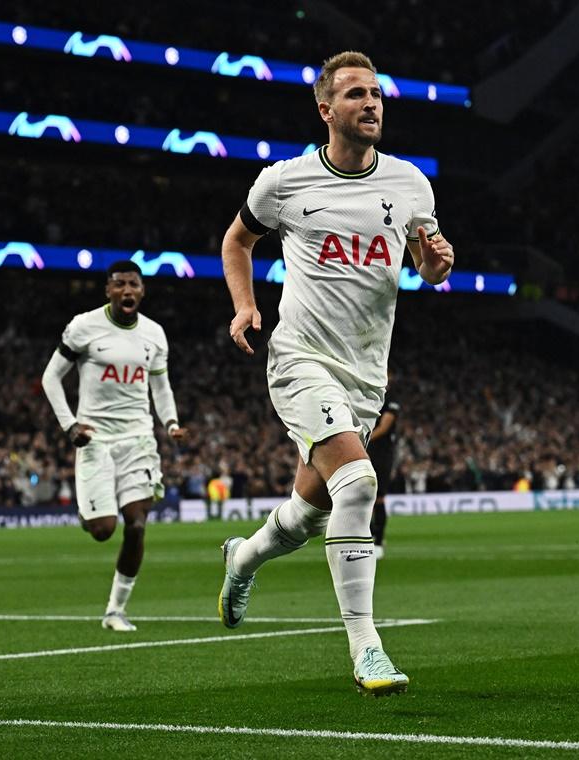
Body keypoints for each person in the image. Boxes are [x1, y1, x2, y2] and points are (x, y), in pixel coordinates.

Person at [216, 51, 454, 697]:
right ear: (326, 110)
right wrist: (245, 306)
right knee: (357, 484)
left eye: (376, 93)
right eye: (355, 95)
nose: (371, 103)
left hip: (365, 377)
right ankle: (366, 647)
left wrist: (436, 264)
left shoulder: (409, 183)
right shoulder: (284, 182)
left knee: (307, 516)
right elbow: (237, 241)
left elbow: (428, 266)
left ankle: (242, 558)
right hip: (299, 360)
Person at [41, 260, 188, 632]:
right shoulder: (84, 327)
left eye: (134, 284)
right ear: (108, 290)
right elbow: (50, 378)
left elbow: (160, 386)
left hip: (138, 439)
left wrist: (170, 422)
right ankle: (89, 513)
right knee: (103, 529)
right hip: (96, 440)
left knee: (137, 525)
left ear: (142, 291)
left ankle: (114, 611)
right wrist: (69, 424)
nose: (127, 290)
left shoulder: (154, 335)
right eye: (120, 284)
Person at [369, 393, 401, 556]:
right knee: (362, 496)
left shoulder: (390, 400)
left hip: (381, 454)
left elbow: (384, 427)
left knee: (378, 497)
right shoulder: (364, 393)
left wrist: (361, 439)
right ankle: (370, 535)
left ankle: (379, 541)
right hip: (364, 452)